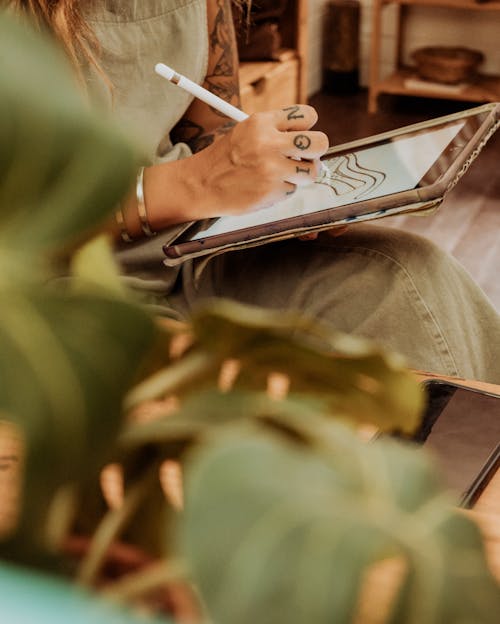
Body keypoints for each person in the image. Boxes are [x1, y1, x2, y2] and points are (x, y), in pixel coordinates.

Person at [10, 0, 500, 382]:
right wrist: (195, 183)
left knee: (405, 278)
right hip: (44, 291)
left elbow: (211, 132)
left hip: (182, 255)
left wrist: (270, 203)